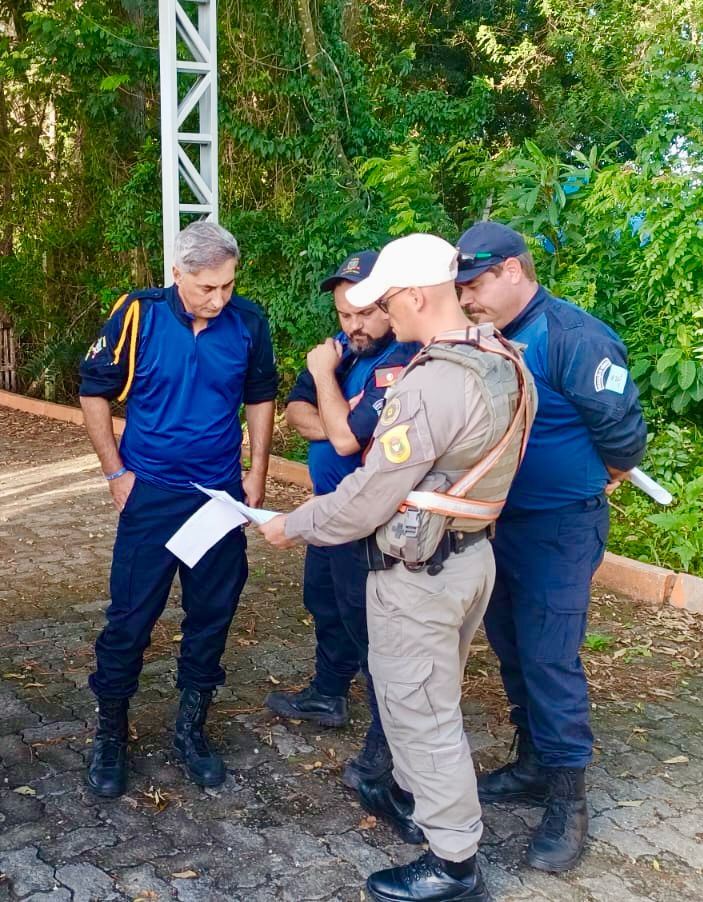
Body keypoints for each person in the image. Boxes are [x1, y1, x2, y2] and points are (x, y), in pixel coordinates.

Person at [261, 232, 536, 902]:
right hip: (470, 555)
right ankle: (433, 814)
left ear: (415, 295)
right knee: (429, 700)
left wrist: (289, 525)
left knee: (422, 713)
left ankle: (453, 864)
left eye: (386, 300)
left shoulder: (432, 383)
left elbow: (367, 499)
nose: (384, 315)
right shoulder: (501, 356)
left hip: (420, 574)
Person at [453, 220, 647, 873]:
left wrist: (603, 473)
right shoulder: (491, 336)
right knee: (510, 645)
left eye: (475, 284)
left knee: (549, 659)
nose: (467, 298)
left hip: (559, 528)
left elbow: (622, 432)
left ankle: (570, 802)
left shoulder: (573, 337)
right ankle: (533, 762)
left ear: (513, 269)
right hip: (497, 523)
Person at [78, 219, 278, 798]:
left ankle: (191, 728)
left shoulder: (249, 321)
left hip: (217, 497)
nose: (219, 299)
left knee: (211, 617)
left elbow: (260, 395)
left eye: (228, 286)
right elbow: (93, 390)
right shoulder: (138, 314)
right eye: (206, 288)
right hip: (152, 496)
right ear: (177, 273)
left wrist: (256, 473)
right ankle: (110, 731)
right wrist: (116, 473)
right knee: (129, 620)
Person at [265, 250, 421, 815]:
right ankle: (328, 694)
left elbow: (348, 440)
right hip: (328, 511)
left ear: (389, 305)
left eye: (363, 314)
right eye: (343, 315)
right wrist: (332, 406)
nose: (352, 326)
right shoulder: (342, 350)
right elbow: (296, 413)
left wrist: (328, 386)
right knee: (325, 603)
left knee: (370, 628)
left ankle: (386, 743)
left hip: (370, 520)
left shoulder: (405, 359)